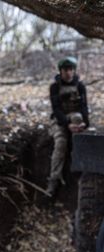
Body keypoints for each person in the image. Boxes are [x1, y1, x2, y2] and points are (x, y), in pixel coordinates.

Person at [46, 56, 89, 197]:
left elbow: (84, 107)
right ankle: (54, 179)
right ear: (61, 71)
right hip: (61, 121)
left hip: (76, 119)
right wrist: (67, 125)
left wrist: (84, 123)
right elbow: (56, 109)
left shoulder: (80, 86)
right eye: (65, 70)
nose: (68, 73)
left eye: (71, 69)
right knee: (60, 143)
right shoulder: (55, 87)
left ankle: (83, 174)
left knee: (80, 135)